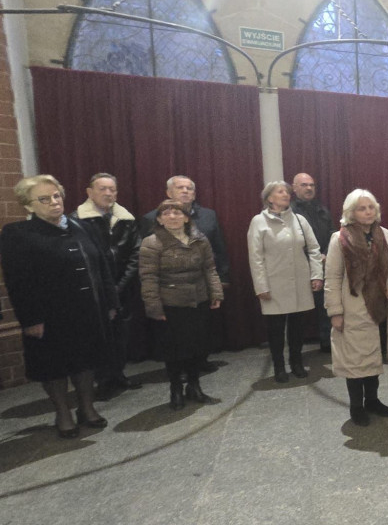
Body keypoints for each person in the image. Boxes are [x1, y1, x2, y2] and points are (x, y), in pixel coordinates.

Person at [0, 175, 118, 438]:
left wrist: (110, 302)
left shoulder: (82, 226)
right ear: (28, 205)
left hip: (88, 312)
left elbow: (102, 268)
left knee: (86, 362)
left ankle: (86, 408)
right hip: (49, 317)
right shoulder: (18, 234)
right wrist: (30, 320)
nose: (54, 202)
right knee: (55, 367)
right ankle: (63, 413)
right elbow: (17, 281)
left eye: (56, 196)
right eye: (44, 199)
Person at [324, 189, 388, 426]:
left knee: (373, 360)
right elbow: (331, 278)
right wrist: (335, 312)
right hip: (353, 309)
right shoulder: (339, 239)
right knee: (356, 362)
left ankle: (373, 400)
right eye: (362, 208)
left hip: (383, 308)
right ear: (351, 212)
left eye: (371, 207)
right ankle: (356, 406)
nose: (368, 212)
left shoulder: (386, 236)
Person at [139, 199, 224, 410]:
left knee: (197, 347)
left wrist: (216, 292)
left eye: (177, 213)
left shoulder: (199, 239)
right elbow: (148, 278)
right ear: (159, 219)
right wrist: (154, 307)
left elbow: (210, 268)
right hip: (171, 304)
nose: (172, 217)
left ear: (186, 217)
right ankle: (176, 389)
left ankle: (194, 386)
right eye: (166, 213)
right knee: (174, 351)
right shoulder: (151, 242)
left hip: (198, 300)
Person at [141, 176, 230, 371]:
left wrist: (220, 281)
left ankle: (197, 371)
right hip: (170, 294)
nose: (185, 191)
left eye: (189, 188)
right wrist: (153, 303)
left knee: (199, 335)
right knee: (174, 340)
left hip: (200, 288)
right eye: (180, 187)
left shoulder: (208, 216)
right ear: (168, 193)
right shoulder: (150, 221)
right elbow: (148, 272)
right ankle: (178, 382)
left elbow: (217, 252)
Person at [248, 181, 324, 383]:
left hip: (299, 282)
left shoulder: (299, 220)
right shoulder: (258, 221)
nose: (286, 194)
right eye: (280, 192)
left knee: (298, 328)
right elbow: (255, 257)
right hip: (274, 284)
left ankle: (297, 363)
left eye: (287, 192)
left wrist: (317, 275)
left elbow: (314, 249)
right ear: (269, 198)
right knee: (275, 330)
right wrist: (261, 286)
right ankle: (279, 366)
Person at [73, 172, 142, 396]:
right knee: (100, 335)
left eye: (112, 189)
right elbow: (81, 257)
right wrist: (104, 288)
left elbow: (135, 253)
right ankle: (103, 380)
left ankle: (118, 374)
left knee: (122, 334)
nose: (108, 193)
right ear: (89, 192)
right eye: (102, 189)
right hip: (94, 290)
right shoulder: (77, 220)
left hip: (123, 286)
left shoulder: (126, 219)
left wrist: (120, 286)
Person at [290, 172, 334, 353]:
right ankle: (295, 352)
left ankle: (327, 344)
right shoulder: (289, 212)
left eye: (312, 185)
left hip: (323, 265)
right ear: (294, 188)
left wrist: (324, 254)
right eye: (304, 185)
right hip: (298, 267)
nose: (309, 188)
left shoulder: (322, 210)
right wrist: (311, 259)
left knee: (325, 307)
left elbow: (333, 235)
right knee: (297, 312)